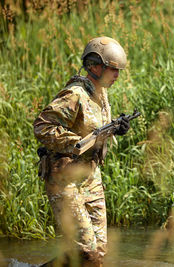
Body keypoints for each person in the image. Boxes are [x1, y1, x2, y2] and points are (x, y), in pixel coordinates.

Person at [33, 36, 130, 266]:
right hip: (64, 178)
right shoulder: (74, 93)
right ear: (95, 66)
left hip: (90, 176)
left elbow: (95, 128)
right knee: (87, 251)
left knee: (98, 254)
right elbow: (42, 126)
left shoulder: (101, 93)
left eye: (119, 70)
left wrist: (116, 129)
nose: (117, 75)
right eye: (113, 69)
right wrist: (76, 143)